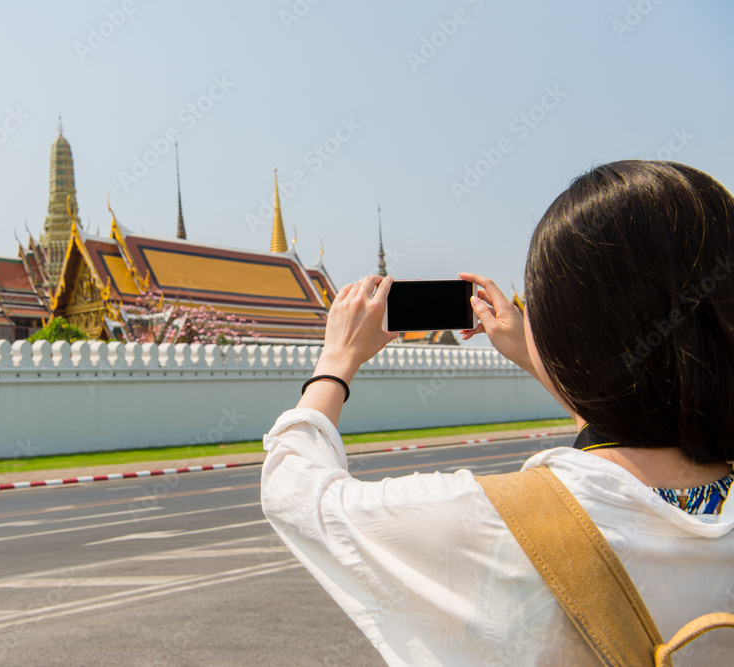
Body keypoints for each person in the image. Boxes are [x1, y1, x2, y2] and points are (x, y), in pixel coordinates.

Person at [260, 160, 734, 666]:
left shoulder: (495, 522)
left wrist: (335, 361)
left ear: (565, 334)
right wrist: (537, 354)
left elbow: (293, 489)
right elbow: (637, 406)